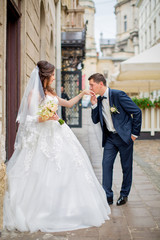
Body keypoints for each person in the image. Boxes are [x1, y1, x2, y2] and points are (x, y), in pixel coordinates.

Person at [3, 61, 110, 233]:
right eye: (52, 74)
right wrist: (43, 118)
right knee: (42, 172)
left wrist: (82, 93)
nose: (54, 77)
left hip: (59, 133)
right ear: (44, 76)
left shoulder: (50, 93)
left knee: (69, 168)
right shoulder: (33, 94)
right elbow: (28, 119)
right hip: (44, 138)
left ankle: (68, 209)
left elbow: (67, 104)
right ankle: (42, 210)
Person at [89, 73, 142, 206]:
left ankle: (124, 194)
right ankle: (108, 196)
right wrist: (94, 105)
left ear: (100, 84)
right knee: (106, 165)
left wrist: (134, 134)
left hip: (124, 138)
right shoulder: (99, 99)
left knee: (126, 167)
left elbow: (137, 112)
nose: (90, 87)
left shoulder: (118, 95)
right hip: (110, 139)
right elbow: (95, 120)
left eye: (91, 84)